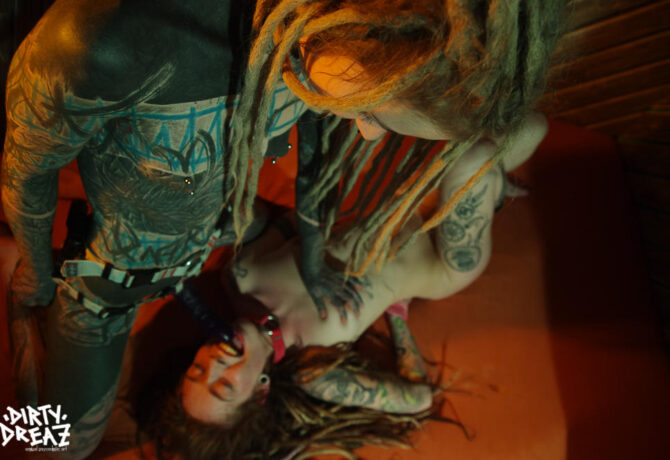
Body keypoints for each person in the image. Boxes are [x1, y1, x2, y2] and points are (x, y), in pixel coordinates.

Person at [1, 0, 564, 457]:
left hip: (190, 251)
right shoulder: (101, 43)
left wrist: (311, 258)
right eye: (372, 112)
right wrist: (33, 268)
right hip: (106, 285)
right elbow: (24, 169)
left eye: (195, 372)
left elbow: (308, 160)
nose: (366, 133)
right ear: (262, 391)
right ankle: (17, 299)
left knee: (39, 441)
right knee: (57, 448)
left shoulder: (307, 37)